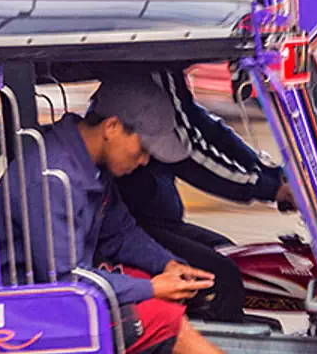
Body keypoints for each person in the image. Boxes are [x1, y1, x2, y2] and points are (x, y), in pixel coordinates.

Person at [0, 75, 317, 354]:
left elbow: (121, 232)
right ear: (113, 127)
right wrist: (153, 289)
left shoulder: (92, 166)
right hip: (34, 311)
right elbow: (63, 278)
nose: (146, 161)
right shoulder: (52, 178)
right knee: (162, 312)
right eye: (143, 148)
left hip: (70, 289)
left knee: (171, 287)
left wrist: (168, 265)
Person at [109, 69, 293, 324]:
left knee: (230, 253)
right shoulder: (156, 65)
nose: (145, 158)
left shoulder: (167, 77)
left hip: (153, 215)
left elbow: (201, 126)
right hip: (137, 220)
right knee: (222, 276)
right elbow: (188, 152)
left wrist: (270, 175)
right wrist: (268, 188)